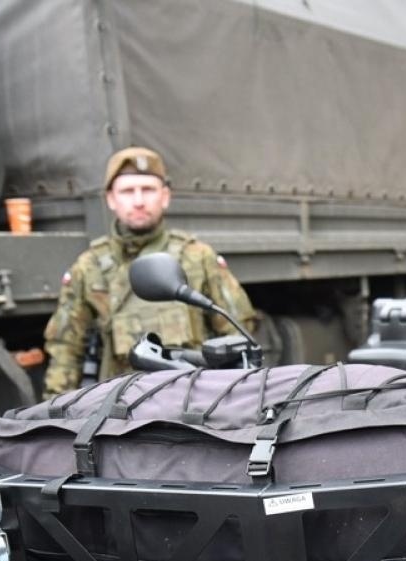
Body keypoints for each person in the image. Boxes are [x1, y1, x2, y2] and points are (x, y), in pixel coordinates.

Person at [43, 146, 255, 398]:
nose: (139, 200)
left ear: (165, 197)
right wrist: (55, 413)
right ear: (111, 199)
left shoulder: (197, 257)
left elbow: (237, 332)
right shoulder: (89, 267)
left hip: (194, 401)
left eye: (148, 189)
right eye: (128, 191)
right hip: (121, 410)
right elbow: (65, 351)